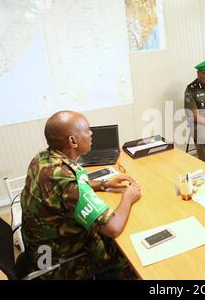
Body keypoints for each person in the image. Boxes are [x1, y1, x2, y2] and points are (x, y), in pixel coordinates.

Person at [21, 111, 141, 280]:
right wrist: (127, 197)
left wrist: (104, 184)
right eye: (86, 130)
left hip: (40, 249)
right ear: (72, 140)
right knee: (130, 253)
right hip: (60, 263)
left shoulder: (43, 159)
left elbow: (64, 191)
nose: (91, 133)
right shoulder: (63, 179)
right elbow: (112, 227)